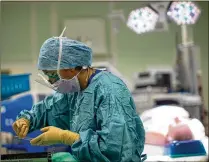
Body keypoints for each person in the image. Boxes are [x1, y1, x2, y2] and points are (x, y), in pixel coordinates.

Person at [12, 28, 146, 162]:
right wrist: (27, 120)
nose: (51, 81)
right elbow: (49, 110)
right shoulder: (74, 91)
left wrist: (66, 137)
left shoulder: (110, 90)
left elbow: (115, 150)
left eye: (52, 74)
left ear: (70, 67)